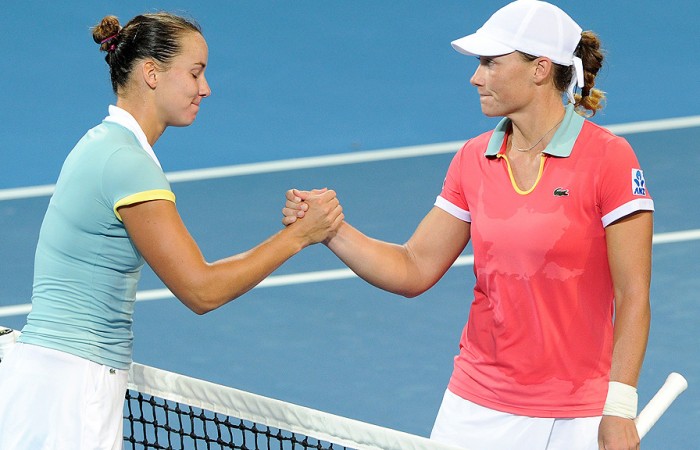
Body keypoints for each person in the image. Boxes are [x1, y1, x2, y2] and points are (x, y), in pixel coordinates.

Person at [282, 1, 653, 449]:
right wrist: (331, 231)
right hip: (478, 405)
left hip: (578, 412)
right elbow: (413, 267)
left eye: (490, 63)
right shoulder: (473, 159)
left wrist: (618, 408)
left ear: (539, 69)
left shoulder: (609, 159)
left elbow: (632, 294)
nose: (475, 77)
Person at [0, 12, 343, 450]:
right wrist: (299, 236)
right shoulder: (127, 164)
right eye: (195, 72)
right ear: (152, 73)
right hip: (70, 391)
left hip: (49, 383)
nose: (206, 88)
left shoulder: (104, 145)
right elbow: (201, 290)